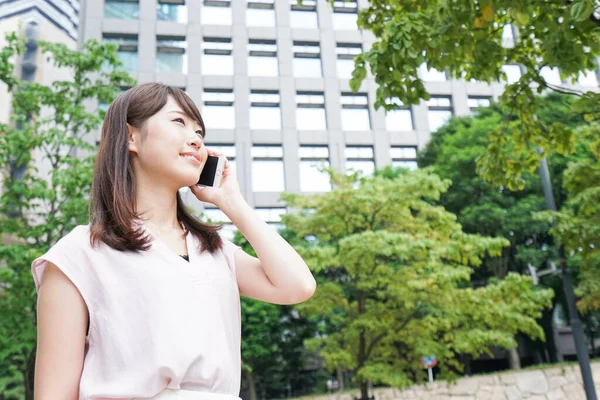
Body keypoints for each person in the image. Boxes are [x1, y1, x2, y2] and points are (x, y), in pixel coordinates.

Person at [31, 82, 316, 399]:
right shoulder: (80, 253)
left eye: (199, 132)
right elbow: (54, 392)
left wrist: (232, 202)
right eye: (179, 122)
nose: (195, 139)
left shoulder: (214, 249)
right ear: (130, 137)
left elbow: (298, 286)